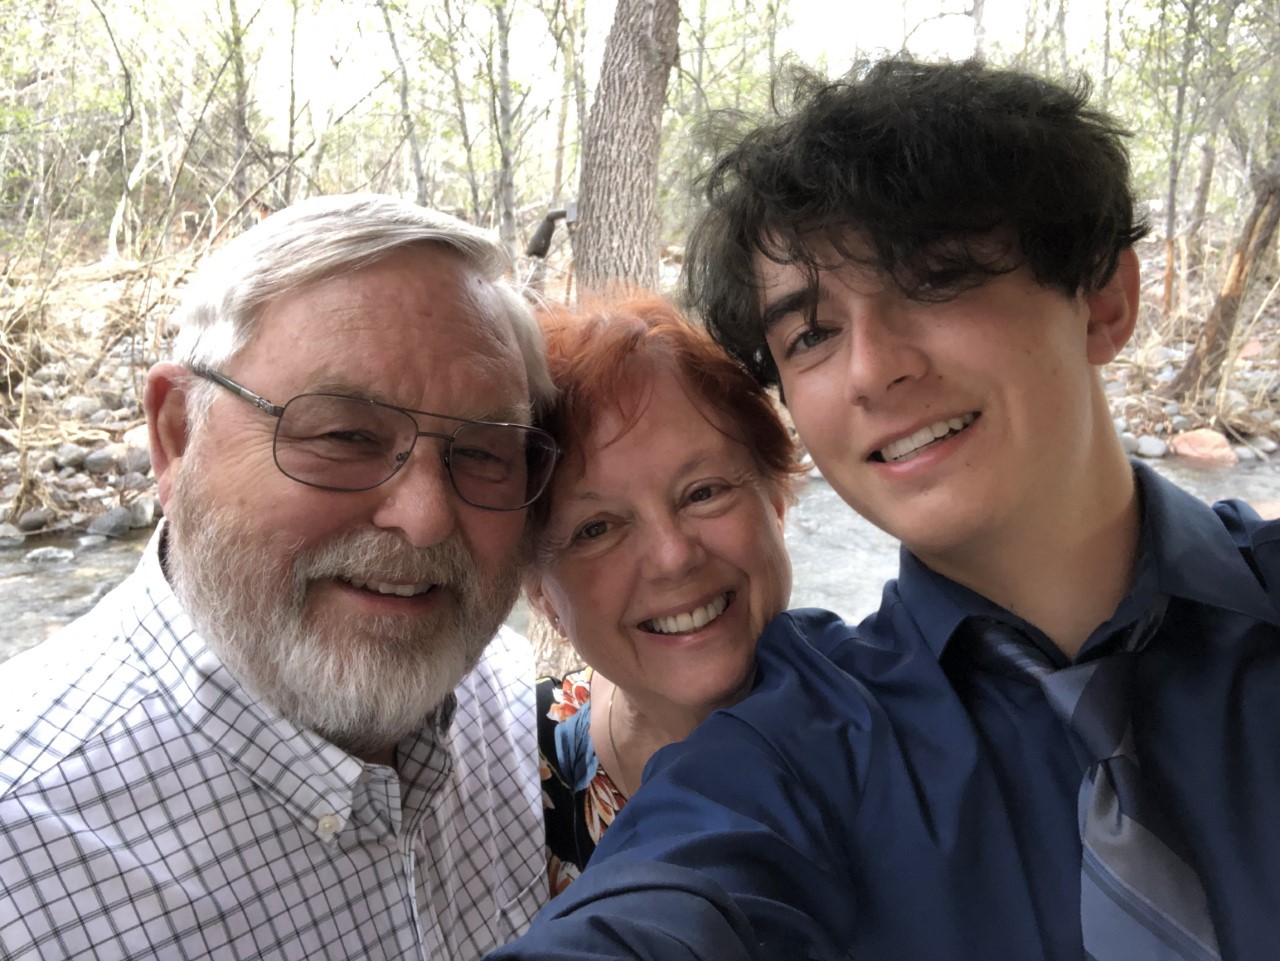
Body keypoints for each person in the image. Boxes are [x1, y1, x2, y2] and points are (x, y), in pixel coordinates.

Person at [487, 58, 1280, 961]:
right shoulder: (782, 753)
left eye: (938, 278)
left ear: (1105, 300)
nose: (872, 368)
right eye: (812, 333)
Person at [0, 193, 562, 960]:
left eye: (485, 451)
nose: (426, 517)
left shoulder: (522, 722)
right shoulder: (22, 849)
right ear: (175, 435)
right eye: (343, 434)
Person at [525, 297, 800, 894]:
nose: (674, 556)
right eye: (596, 529)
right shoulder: (509, 787)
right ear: (541, 593)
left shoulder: (912, 725)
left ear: (775, 500)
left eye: (703, 492)